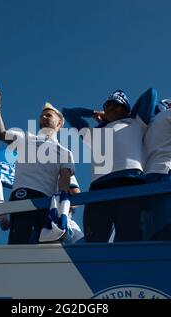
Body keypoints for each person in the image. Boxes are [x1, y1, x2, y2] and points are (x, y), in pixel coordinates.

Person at [62, 88, 157, 242]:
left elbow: (151, 93)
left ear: (126, 109)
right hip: (99, 189)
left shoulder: (136, 123)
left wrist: (130, 115)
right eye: (108, 105)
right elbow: (68, 112)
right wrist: (93, 113)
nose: (111, 108)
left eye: (117, 105)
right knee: (94, 240)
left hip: (131, 183)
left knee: (131, 237)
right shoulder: (93, 134)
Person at [0, 85, 75, 244]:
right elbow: (1, 133)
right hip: (22, 196)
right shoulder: (25, 137)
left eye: (48, 115)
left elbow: (64, 182)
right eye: (42, 115)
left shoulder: (65, 152)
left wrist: (61, 210)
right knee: (18, 247)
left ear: (60, 123)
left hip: (47, 202)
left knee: (42, 252)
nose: (44, 117)